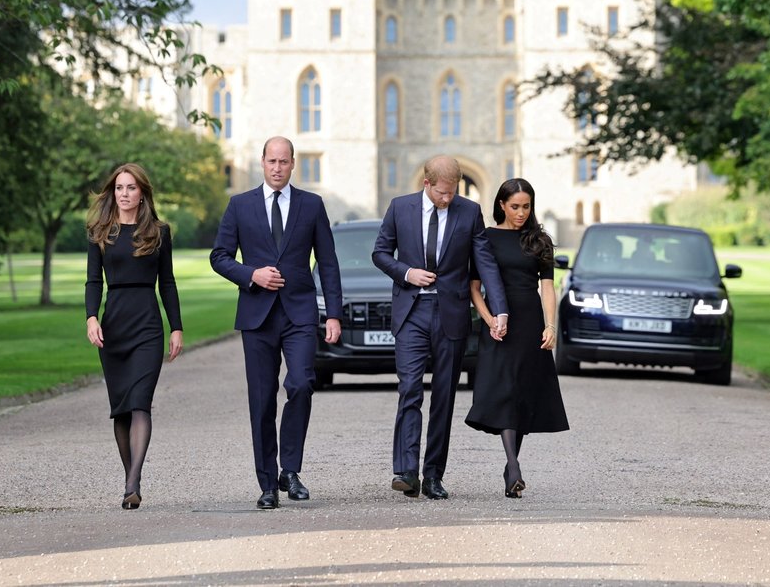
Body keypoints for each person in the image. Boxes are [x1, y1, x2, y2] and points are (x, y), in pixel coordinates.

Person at [210, 136, 343, 510]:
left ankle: (291, 470)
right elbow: (219, 256)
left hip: (300, 312)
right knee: (262, 400)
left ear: (293, 163)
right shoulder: (240, 206)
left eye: (284, 162)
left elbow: (328, 263)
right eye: (272, 161)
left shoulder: (312, 205)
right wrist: (251, 274)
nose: (278, 168)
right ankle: (268, 483)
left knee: (301, 384)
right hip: (257, 316)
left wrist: (333, 313)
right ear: (262, 162)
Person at [372, 155, 509, 500]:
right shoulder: (400, 208)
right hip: (412, 310)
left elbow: (485, 262)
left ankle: (433, 475)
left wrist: (500, 308)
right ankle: (406, 471)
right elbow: (380, 252)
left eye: (453, 193)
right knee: (410, 390)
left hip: (451, 313)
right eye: (442, 193)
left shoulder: (469, 212)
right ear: (427, 184)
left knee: (445, 397)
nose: (448, 199)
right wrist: (407, 272)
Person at [85, 162, 184, 510]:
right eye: (118, 188)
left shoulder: (159, 232)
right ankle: (131, 480)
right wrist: (91, 318)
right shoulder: (100, 232)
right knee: (122, 410)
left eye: (130, 188)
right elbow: (93, 281)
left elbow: (168, 283)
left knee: (140, 401)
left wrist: (176, 327)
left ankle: (133, 480)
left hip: (147, 326)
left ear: (142, 193)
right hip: (114, 327)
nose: (124, 194)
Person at [465, 178, 569, 498]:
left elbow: (548, 287)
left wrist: (550, 327)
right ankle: (514, 467)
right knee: (505, 390)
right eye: (515, 206)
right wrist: (489, 320)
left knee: (522, 392)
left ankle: (512, 466)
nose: (521, 212)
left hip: (530, 322)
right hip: (498, 324)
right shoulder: (486, 238)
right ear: (501, 205)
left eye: (526, 206)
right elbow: (474, 288)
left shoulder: (539, 241)